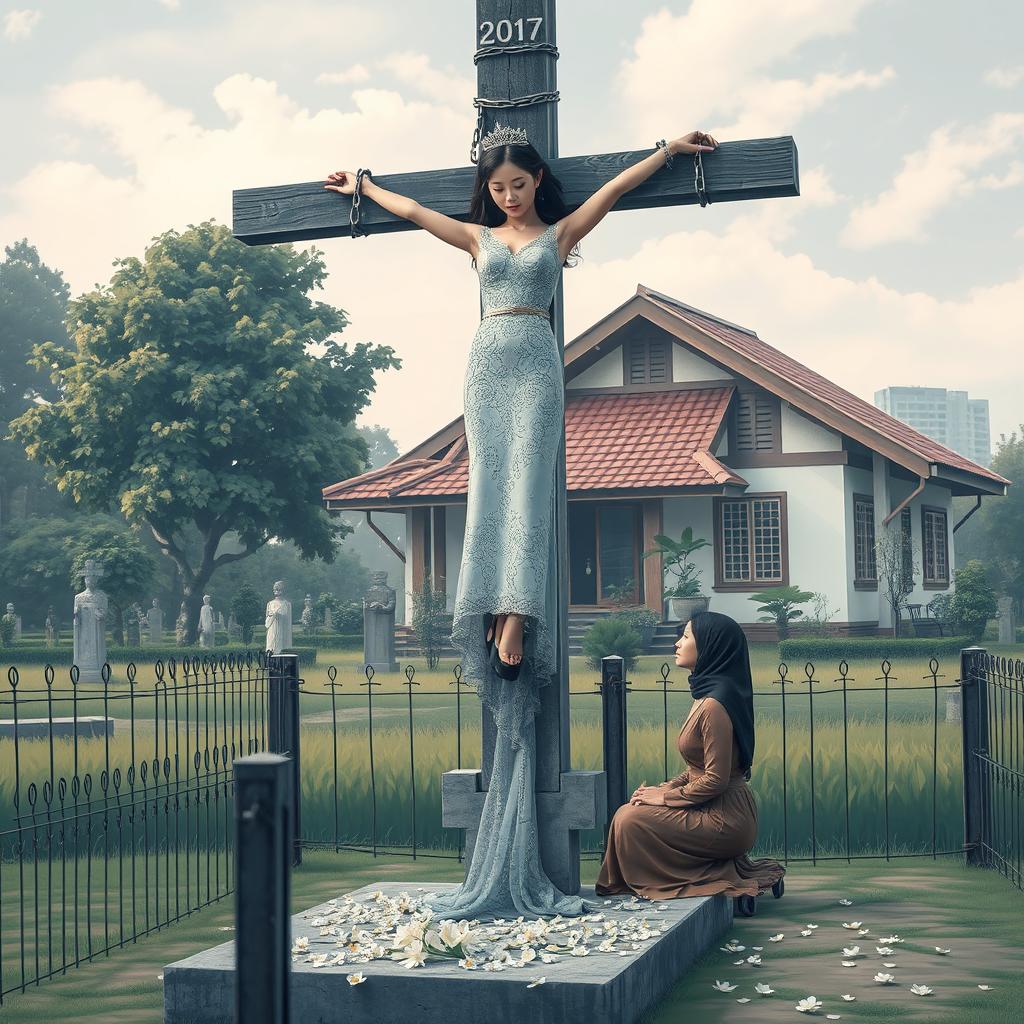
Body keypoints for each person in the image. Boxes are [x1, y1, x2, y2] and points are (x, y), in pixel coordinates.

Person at [324, 126, 718, 920]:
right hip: (486, 360)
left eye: (519, 184)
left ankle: (514, 622)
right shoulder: (475, 238)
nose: (509, 196)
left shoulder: (558, 235)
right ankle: (500, 616)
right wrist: (363, 185)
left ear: (536, 180)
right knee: (491, 490)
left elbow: (614, 192)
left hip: (537, 362)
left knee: (531, 489)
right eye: (498, 187)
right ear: (490, 189)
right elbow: (410, 212)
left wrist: (669, 151)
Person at [596, 610, 785, 901]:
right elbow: (697, 767)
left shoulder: (713, 706)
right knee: (629, 812)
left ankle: (696, 879)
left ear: (709, 646)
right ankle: (703, 871)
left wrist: (664, 798)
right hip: (709, 806)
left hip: (725, 817)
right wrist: (666, 787)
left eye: (686, 636)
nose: (677, 644)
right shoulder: (707, 695)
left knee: (629, 820)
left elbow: (714, 780)